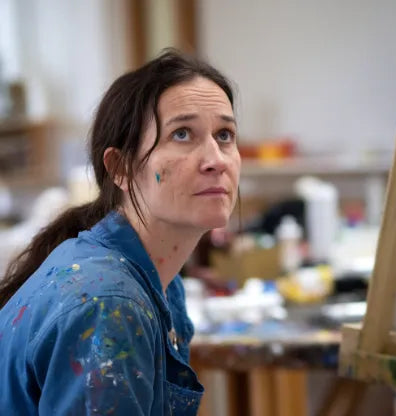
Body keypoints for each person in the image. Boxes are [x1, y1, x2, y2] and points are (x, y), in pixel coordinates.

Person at [0, 49, 241, 415]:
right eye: (181, 134)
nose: (216, 160)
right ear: (121, 168)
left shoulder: (160, 281)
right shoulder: (109, 305)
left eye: (224, 135)